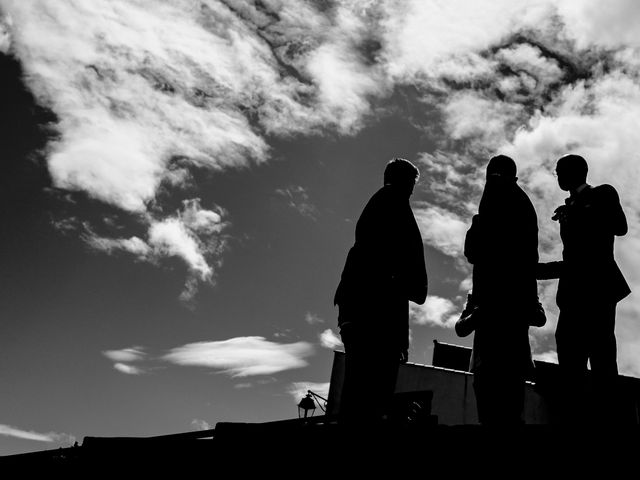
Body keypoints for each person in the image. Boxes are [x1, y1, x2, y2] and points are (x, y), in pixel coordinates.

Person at [537, 154, 630, 424]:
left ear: (575, 172)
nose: (557, 177)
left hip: (598, 291)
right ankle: (574, 417)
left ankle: (608, 419)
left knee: (602, 360)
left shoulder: (602, 193)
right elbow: (573, 258)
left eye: (559, 171)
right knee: (569, 360)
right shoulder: (569, 207)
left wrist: (577, 212)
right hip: (573, 294)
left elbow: (619, 227)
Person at [334, 158, 428, 424]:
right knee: (369, 393)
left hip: (365, 314)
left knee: (363, 391)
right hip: (373, 317)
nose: (411, 191)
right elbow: (382, 268)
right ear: (401, 181)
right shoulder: (392, 206)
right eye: (410, 184)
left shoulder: (382, 206)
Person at [463, 155, 541, 425]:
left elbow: (474, 252)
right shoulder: (520, 205)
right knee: (502, 404)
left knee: (498, 405)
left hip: (499, 316)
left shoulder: (500, 204)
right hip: (507, 318)